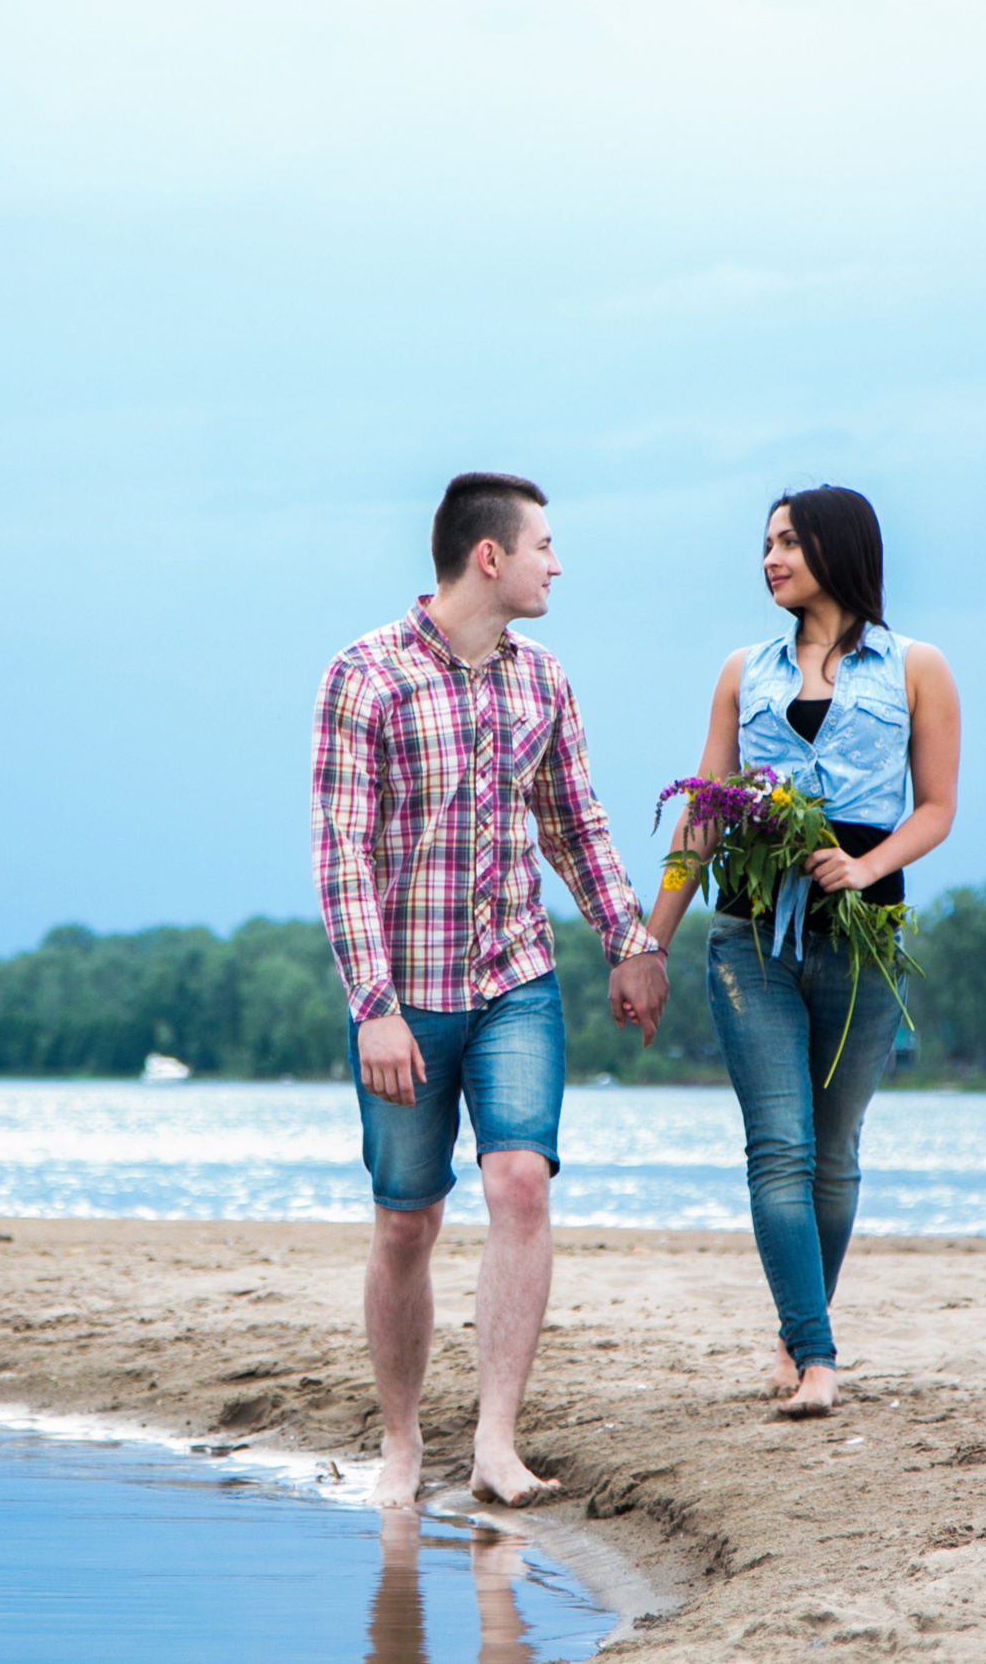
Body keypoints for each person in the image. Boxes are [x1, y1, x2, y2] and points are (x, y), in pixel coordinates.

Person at [312, 471, 670, 1508]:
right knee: (405, 1225)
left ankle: (496, 1445)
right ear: (489, 557)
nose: (555, 563)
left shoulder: (544, 681)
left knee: (520, 1181)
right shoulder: (363, 675)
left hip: (515, 976)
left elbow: (574, 823)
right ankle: (400, 1443)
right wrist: (371, 1004)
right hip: (404, 993)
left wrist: (628, 938)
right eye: (544, 545)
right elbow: (341, 856)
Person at [642, 486, 961, 1418]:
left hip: (865, 937)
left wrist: (865, 867)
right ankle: (818, 1357)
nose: (771, 558)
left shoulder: (917, 667)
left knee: (833, 1153)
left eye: (788, 541)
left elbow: (936, 807)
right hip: (749, 935)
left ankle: (793, 1332)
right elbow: (706, 806)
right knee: (776, 1146)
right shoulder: (745, 670)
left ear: (837, 547)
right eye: (768, 543)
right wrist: (650, 939)